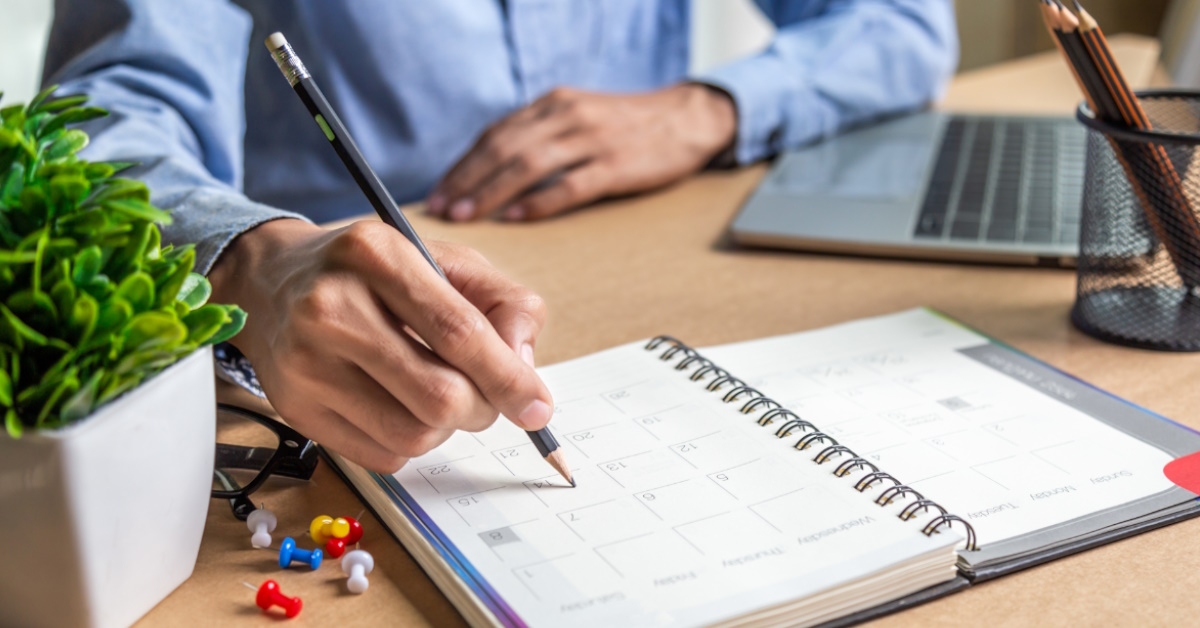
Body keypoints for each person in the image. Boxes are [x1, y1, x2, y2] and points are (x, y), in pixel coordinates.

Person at [42, 1, 957, 472]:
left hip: (663, 273)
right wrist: (247, 256)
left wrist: (708, 107)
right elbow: (97, 129)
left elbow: (906, 25)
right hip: (317, 357)